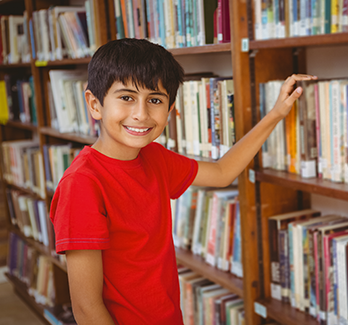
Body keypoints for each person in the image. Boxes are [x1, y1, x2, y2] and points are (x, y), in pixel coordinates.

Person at [50, 38, 317, 325]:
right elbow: (87, 309)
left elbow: (223, 171)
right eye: (126, 97)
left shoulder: (154, 157)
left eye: (154, 100)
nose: (141, 113)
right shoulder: (82, 184)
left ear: (169, 109)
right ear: (95, 104)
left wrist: (276, 114)